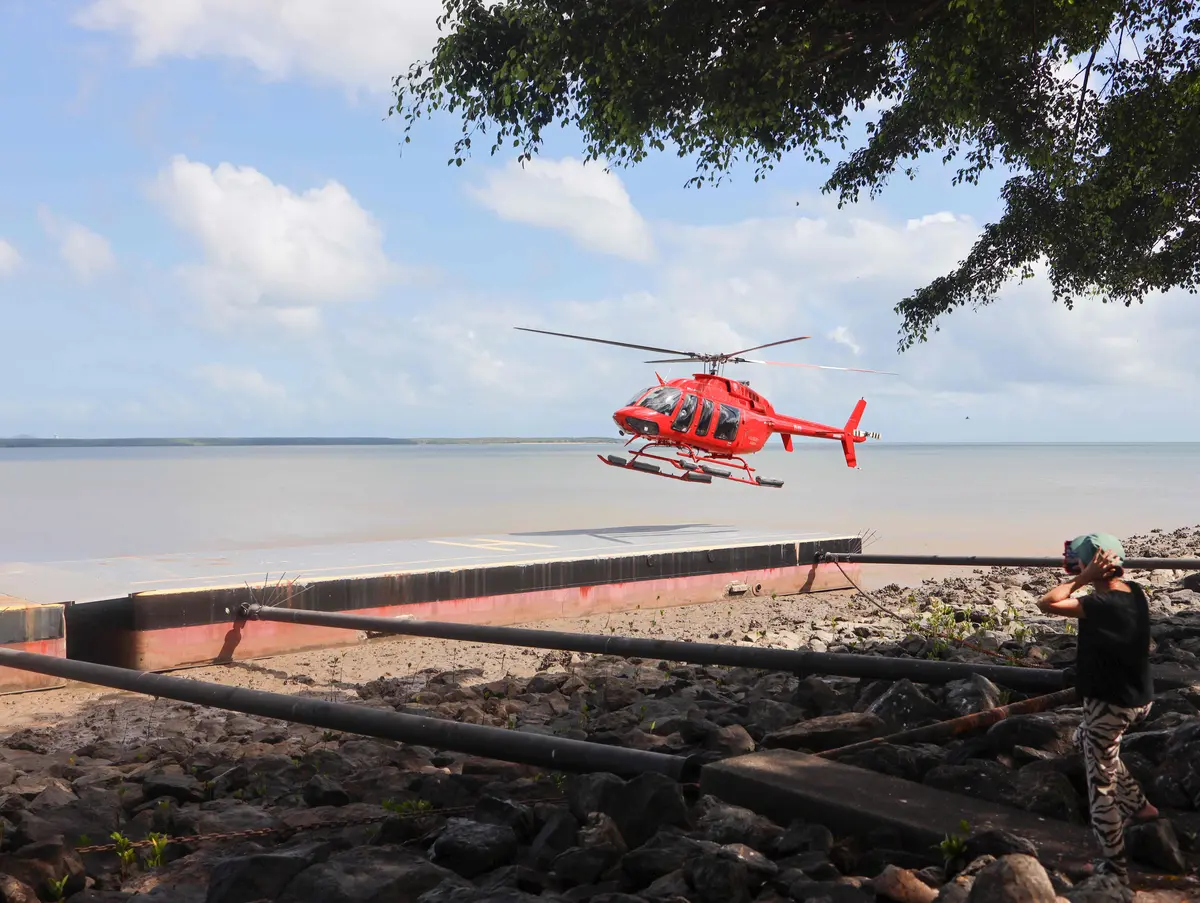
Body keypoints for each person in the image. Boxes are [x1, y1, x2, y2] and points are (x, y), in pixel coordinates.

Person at [1038, 532, 1158, 881]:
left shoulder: (1100, 605)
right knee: (1083, 740)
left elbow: (1046, 603)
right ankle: (1141, 807)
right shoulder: (1134, 593)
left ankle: (1113, 867)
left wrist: (1081, 580)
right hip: (1138, 697)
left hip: (1110, 703)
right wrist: (1094, 577)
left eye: (1078, 561)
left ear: (1093, 566)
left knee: (1100, 782)